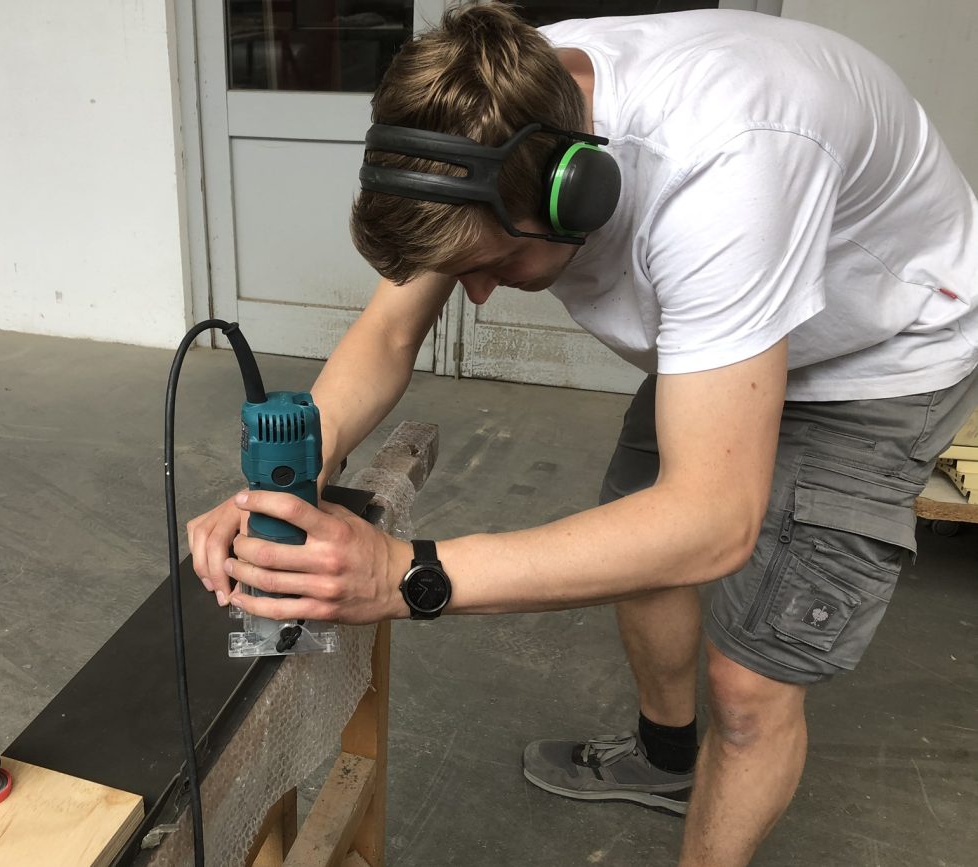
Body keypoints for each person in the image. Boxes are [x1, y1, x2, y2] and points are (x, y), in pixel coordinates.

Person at [188, 5, 978, 864]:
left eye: (495, 264)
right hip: (726, 323)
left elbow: (713, 521)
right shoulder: (486, 117)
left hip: (881, 351)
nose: (475, 295)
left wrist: (402, 573)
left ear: (580, 189)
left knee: (748, 686)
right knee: (634, 525)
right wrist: (291, 473)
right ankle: (666, 758)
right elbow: (386, 333)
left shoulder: (724, 173)